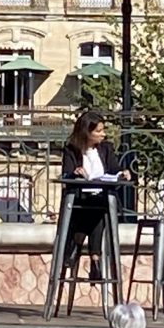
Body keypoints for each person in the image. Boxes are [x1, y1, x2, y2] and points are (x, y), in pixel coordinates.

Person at [57, 109, 126, 278]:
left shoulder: (106, 149)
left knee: (99, 210)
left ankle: (77, 246)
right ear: (86, 132)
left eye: (103, 130)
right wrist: (77, 173)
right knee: (96, 213)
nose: (103, 135)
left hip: (101, 198)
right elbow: (66, 175)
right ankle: (95, 259)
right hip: (80, 201)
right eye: (98, 131)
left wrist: (123, 173)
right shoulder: (71, 151)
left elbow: (114, 170)